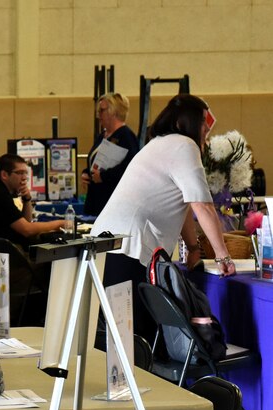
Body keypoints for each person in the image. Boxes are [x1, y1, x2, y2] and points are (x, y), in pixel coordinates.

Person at [91, 93, 236, 347]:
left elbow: (182, 205)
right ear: (190, 121)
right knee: (134, 340)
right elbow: (202, 206)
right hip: (129, 248)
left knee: (122, 339)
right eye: (204, 122)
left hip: (111, 246)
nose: (206, 129)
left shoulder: (159, 143)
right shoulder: (183, 145)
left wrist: (193, 248)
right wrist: (223, 257)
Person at [0, 154, 67, 247]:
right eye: (20, 173)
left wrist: (27, 199)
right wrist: (61, 223)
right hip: (1, 253)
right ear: (4, 175)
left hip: (7, 247)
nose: (24, 178)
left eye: (25, 173)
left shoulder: (1, 190)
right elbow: (27, 230)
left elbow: (26, 221)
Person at [81, 92, 140, 217]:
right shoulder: (103, 135)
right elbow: (96, 161)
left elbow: (131, 168)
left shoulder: (126, 136)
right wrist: (87, 173)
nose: (99, 115)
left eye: (102, 111)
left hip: (112, 201)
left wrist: (104, 176)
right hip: (96, 201)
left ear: (113, 112)